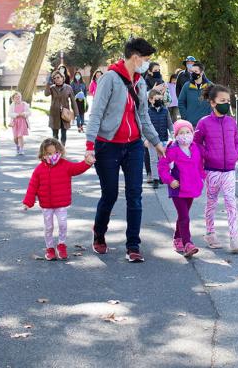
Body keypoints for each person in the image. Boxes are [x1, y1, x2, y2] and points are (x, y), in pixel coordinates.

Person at [84, 38, 166, 263]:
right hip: (107, 145)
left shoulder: (139, 83)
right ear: (135, 57)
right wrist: (89, 146)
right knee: (109, 194)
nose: (147, 64)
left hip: (133, 146)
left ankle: (133, 244)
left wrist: (157, 143)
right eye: (146, 60)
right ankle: (99, 233)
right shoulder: (110, 79)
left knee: (135, 196)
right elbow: (96, 113)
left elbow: (143, 116)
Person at [22, 137, 94, 260]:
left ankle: (61, 245)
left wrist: (87, 162)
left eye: (55, 152)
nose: (52, 156)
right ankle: (49, 248)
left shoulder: (65, 165)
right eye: (49, 154)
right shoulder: (39, 170)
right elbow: (32, 186)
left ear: (60, 152)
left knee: (62, 224)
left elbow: (77, 168)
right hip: (46, 205)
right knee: (48, 227)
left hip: (61, 203)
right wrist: (28, 202)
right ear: (43, 155)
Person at [194, 84, 238, 253]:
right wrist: (206, 154)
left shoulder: (231, 121)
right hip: (212, 171)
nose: (226, 104)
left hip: (229, 170)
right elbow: (197, 143)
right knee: (212, 202)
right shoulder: (204, 123)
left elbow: (237, 140)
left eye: (228, 101)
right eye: (222, 101)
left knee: (231, 202)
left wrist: (236, 154)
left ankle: (234, 238)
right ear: (213, 103)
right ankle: (210, 232)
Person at [157, 120, 205, 258]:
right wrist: (170, 180)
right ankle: (187, 243)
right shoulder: (172, 150)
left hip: (191, 187)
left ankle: (177, 237)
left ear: (192, 133)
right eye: (181, 133)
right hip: (177, 188)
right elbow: (162, 167)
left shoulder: (195, 148)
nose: (185, 135)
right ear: (176, 135)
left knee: (183, 215)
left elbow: (199, 165)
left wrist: (202, 177)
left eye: (188, 132)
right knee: (184, 216)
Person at [146, 88, 173, 189]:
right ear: (151, 100)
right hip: (152, 140)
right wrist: (145, 138)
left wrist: (172, 132)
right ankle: (155, 179)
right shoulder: (147, 112)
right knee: (153, 160)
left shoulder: (165, 111)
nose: (159, 101)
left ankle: (162, 175)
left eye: (160, 99)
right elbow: (144, 126)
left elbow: (169, 123)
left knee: (163, 159)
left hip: (163, 139)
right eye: (156, 99)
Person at [45, 70, 77, 145]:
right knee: (55, 135)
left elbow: (73, 101)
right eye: (54, 78)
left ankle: (62, 149)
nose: (57, 79)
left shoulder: (68, 88)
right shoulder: (52, 88)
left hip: (65, 113)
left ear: (63, 78)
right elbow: (46, 94)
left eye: (58, 77)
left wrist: (76, 114)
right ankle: (55, 150)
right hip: (54, 114)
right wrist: (48, 83)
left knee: (63, 134)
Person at [178, 61, 212, 127]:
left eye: (195, 72)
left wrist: (211, 116)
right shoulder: (186, 86)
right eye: (192, 72)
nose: (193, 74)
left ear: (201, 73)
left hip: (207, 124)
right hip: (191, 124)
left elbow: (216, 102)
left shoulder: (210, 86)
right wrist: (185, 117)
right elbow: (181, 102)